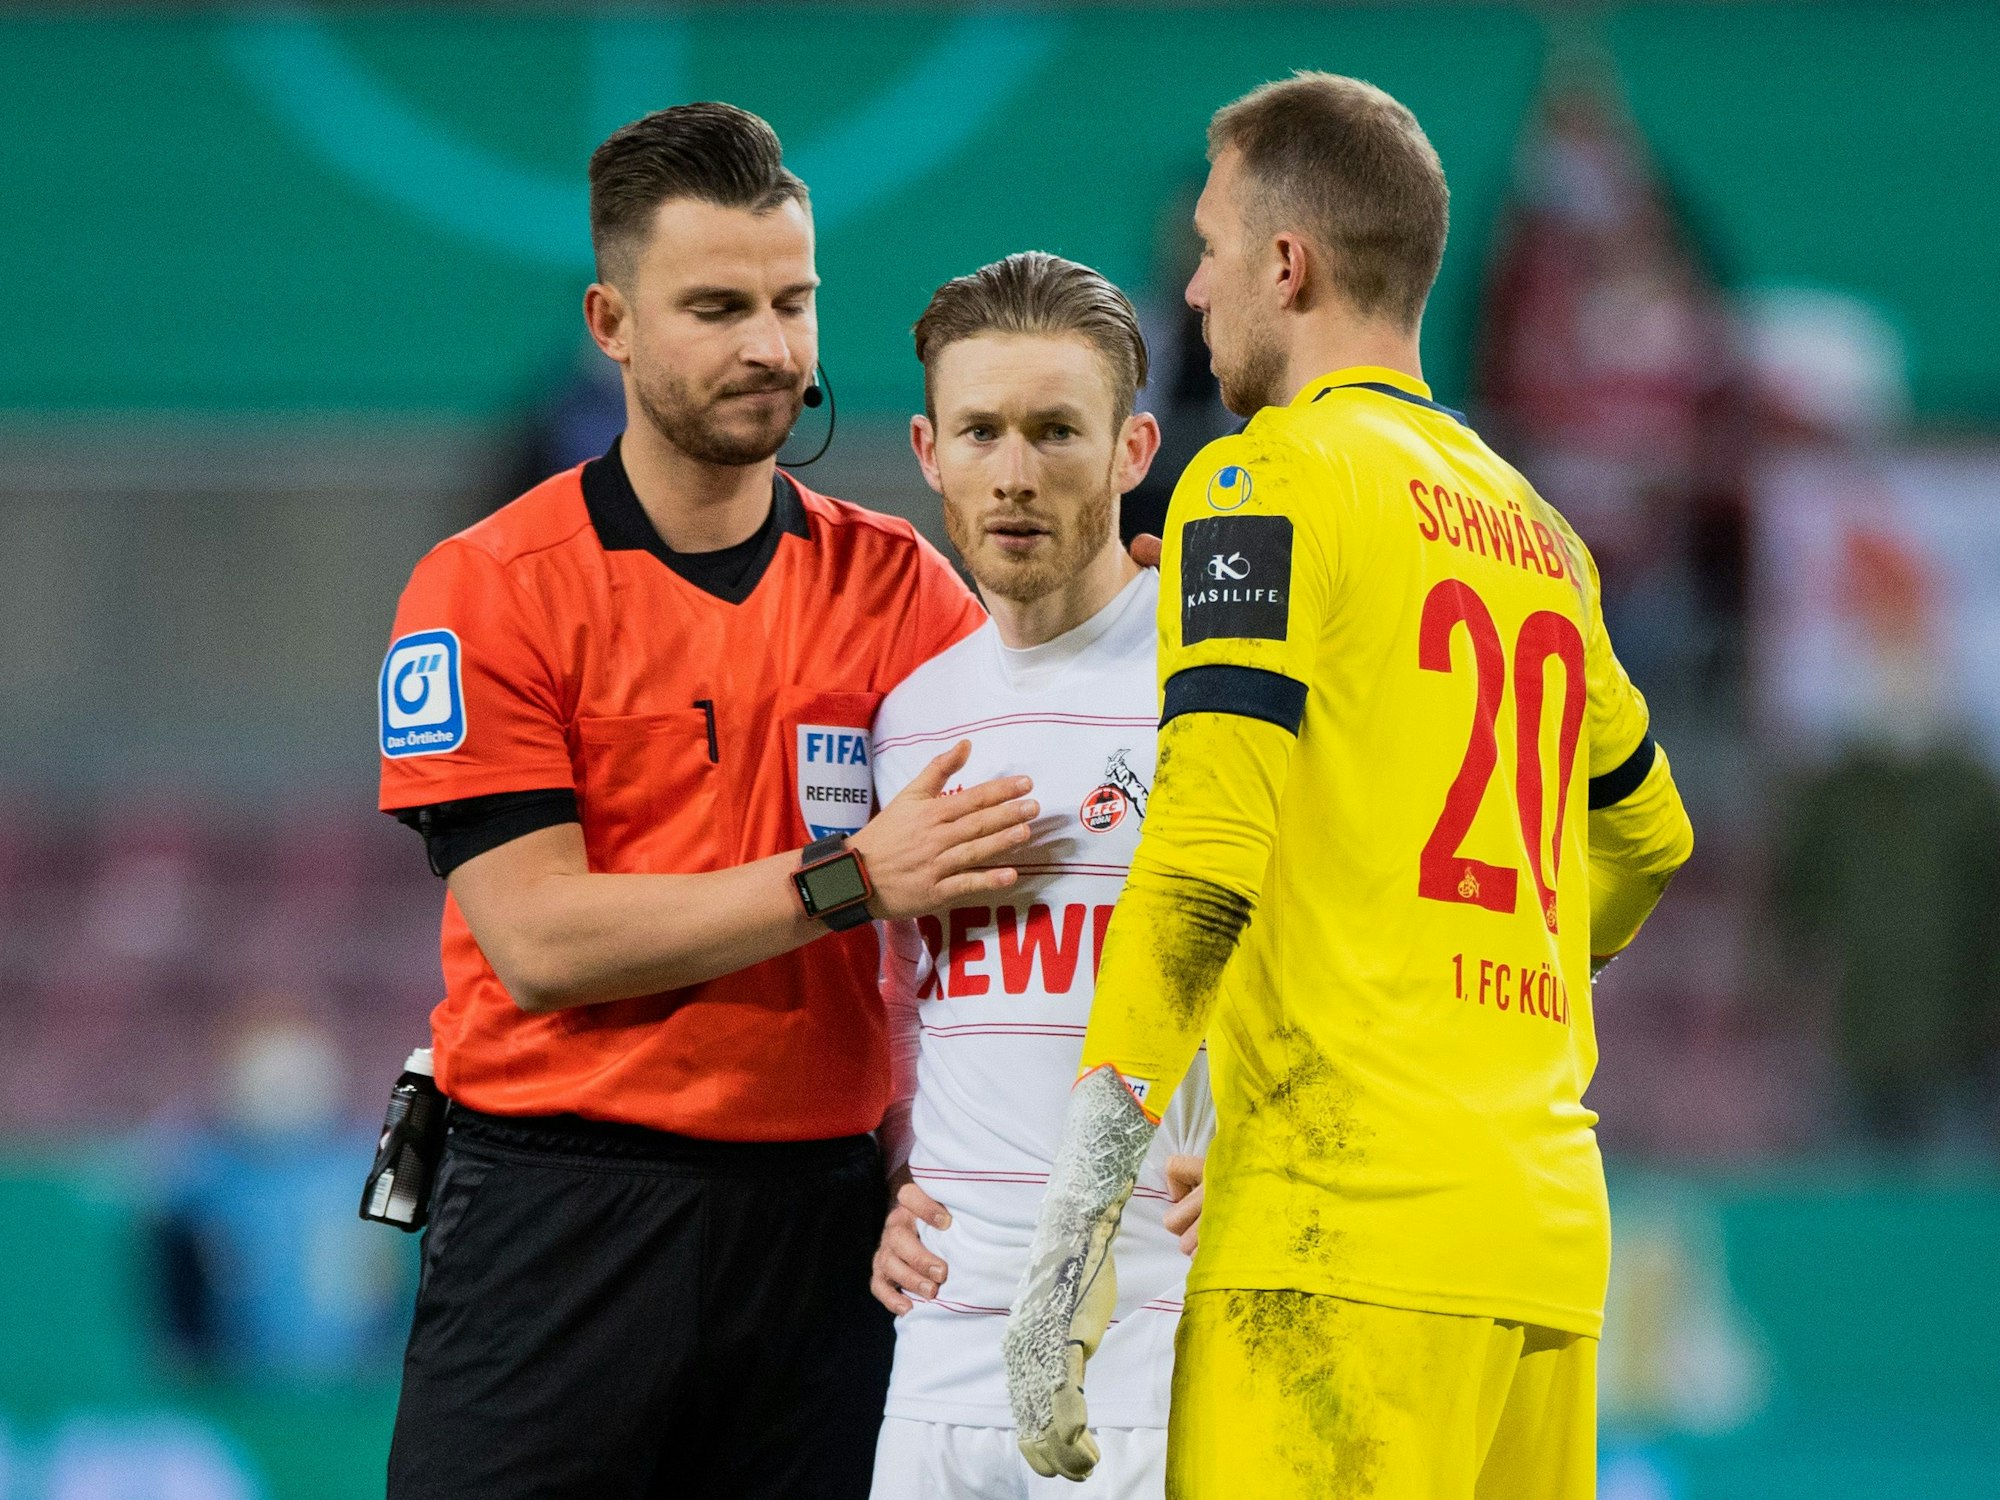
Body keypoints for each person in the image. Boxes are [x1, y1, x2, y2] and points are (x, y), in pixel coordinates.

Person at [1003, 73, 1695, 1497]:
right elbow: (1651, 835)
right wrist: (1466, 987)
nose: (1188, 288)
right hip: (1541, 1247)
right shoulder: (1537, 532)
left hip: (1340, 1239)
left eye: (1206, 247)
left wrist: (1078, 1218)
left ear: (1286, 264)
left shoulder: (1262, 485)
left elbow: (1200, 855)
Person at [375, 103, 1041, 1500]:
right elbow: (540, 941)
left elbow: (1036, 834)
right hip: (559, 1222)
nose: (770, 346)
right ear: (610, 321)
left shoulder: (904, 588)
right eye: (718, 306)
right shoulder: (487, 587)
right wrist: (852, 878)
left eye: (793, 300)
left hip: (824, 1233)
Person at [866, 253, 1214, 1499]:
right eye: (981, 431)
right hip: (944, 1337)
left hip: (1156, 1332)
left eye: (1055, 431)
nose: (1014, 473)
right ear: (927, 449)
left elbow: (1343, 950)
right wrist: (887, 1182)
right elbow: (901, 1005)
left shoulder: (1215, 683)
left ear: (1132, 449)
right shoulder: (909, 718)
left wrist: (1270, 1153)